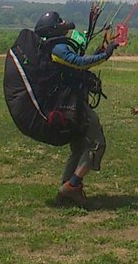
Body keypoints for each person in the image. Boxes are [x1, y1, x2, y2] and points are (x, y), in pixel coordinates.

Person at [33, 11, 119, 208]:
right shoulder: (57, 49)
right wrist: (105, 55)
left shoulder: (54, 47)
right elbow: (79, 63)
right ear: (54, 28)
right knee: (97, 143)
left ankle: (65, 194)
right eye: (60, 21)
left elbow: (76, 64)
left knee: (79, 146)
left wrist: (101, 50)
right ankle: (72, 185)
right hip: (71, 106)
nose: (64, 22)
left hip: (66, 105)